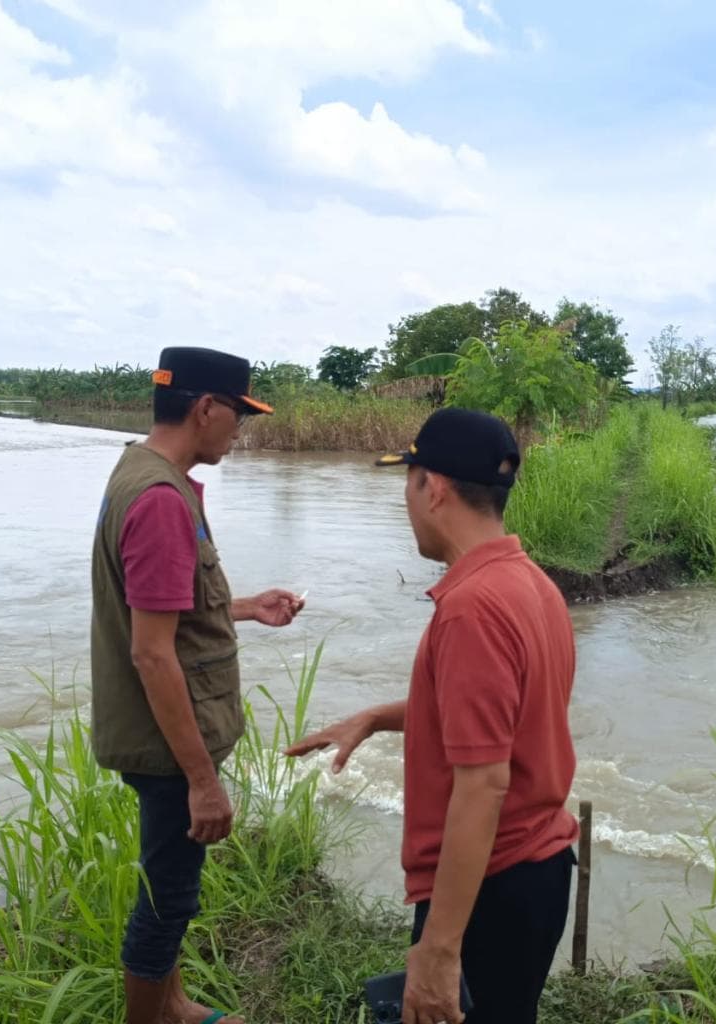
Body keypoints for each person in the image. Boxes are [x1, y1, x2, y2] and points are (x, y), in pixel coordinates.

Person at [287, 407, 579, 1024]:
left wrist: (441, 949)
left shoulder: (472, 607)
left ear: (434, 487)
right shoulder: (531, 584)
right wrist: (377, 716)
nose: (407, 499)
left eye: (408, 480)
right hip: (535, 870)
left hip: (489, 884)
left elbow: (484, 783)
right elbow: (510, 718)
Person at [91, 346, 304, 1024]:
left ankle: (175, 1005)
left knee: (168, 883)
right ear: (205, 408)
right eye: (240, 414)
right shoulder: (160, 501)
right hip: (167, 746)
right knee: (169, 900)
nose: (241, 430)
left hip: (156, 735)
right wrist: (202, 781)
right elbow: (153, 654)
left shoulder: (144, 472)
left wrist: (245, 607)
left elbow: (161, 609)